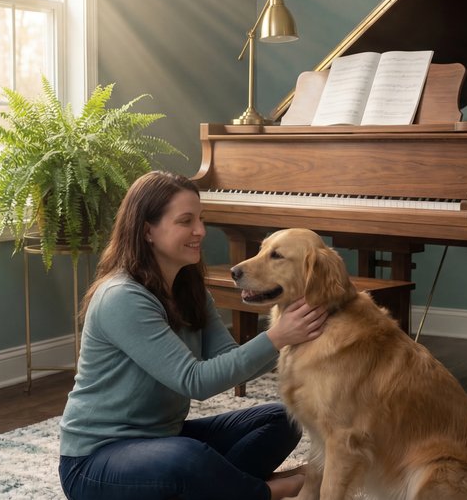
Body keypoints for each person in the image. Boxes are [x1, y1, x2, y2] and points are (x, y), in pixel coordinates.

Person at [58, 170, 327, 500]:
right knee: (185, 459)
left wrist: (294, 335)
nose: (200, 231)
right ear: (147, 231)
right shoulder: (121, 297)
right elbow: (194, 382)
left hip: (165, 438)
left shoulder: (189, 290)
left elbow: (230, 359)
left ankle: (215, 490)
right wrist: (278, 336)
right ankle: (274, 490)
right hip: (94, 463)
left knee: (283, 417)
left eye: (200, 219)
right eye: (186, 221)